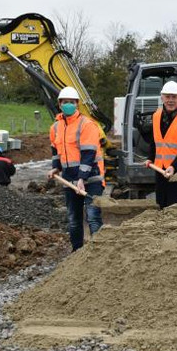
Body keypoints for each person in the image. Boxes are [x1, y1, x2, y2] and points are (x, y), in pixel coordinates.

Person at [47, 86, 104, 252]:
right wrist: (55, 168)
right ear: (59, 104)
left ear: (77, 104)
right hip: (69, 179)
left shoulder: (87, 125)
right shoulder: (56, 127)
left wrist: (81, 179)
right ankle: (77, 253)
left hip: (91, 178)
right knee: (73, 219)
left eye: (72, 102)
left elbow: (88, 154)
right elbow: (56, 152)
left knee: (93, 217)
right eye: (65, 102)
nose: (69, 105)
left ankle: (98, 253)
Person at [144, 80, 177, 208]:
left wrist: (174, 167)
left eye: (174, 97)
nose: (170, 100)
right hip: (161, 171)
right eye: (167, 97)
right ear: (162, 97)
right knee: (162, 207)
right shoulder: (156, 116)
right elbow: (155, 141)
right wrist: (150, 158)